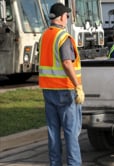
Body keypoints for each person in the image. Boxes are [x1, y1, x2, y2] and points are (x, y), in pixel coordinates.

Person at [38, 2, 84, 165]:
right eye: (67, 16)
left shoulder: (44, 36)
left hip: (48, 90)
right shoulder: (63, 37)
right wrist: (77, 85)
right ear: (62, 17)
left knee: (53, 132)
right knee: (71, 132)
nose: (68, 19)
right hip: (65, 90)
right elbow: (66, 62)